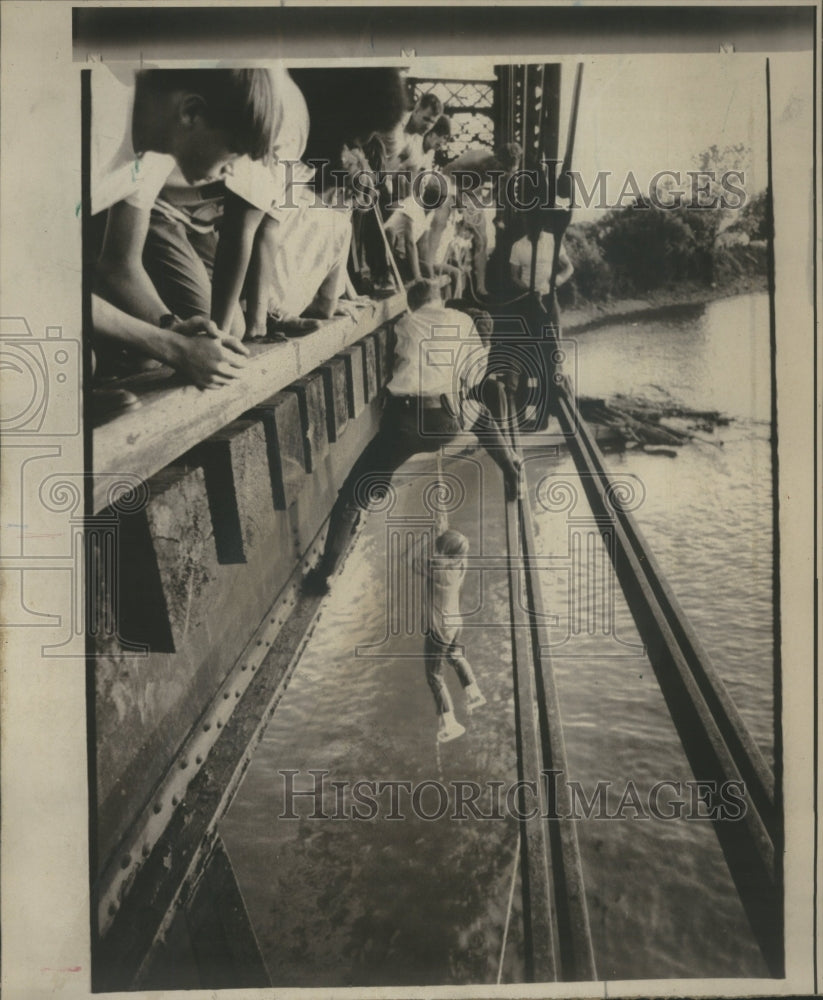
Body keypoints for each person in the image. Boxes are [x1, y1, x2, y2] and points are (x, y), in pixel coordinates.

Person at [303, 279, 522, 596]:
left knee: (353, 497)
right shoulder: (462, 321)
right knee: (479, 414)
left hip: (406, 426)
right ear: (441, 299)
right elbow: (475, 378)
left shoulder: (404, 322)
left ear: (412, 304)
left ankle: (324, 575)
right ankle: (511, 469)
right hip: (450, 419)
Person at [90, 66, 277, 387]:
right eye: (233, 153)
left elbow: (120, 266)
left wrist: (171, 325)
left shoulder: (157, 153)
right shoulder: (90, 114)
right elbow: (44, 286)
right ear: (191, 112)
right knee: (79, 360)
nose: (230, 171)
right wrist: (172, 347)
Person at [411, 528, 486, 743]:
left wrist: (424, 539)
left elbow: (410, 560)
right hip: (455, 623)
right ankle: (474, 692)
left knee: (434, 676)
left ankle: (450, 723)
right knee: (454, 656)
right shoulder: (461, 564)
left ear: (446, 554)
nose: (436, 553)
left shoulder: (440, 571)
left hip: (440, 629)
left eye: (439, 550)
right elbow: (453, 551)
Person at [383, 177, 450, 284]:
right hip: (390, 252)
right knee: (420, 279)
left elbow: (423, 244)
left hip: (404, 256)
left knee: (429, 274)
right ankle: (387, 275)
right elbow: (409, 243)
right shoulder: (412, 204)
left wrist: (429, 270)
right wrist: (417, 276)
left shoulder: (429, 212)